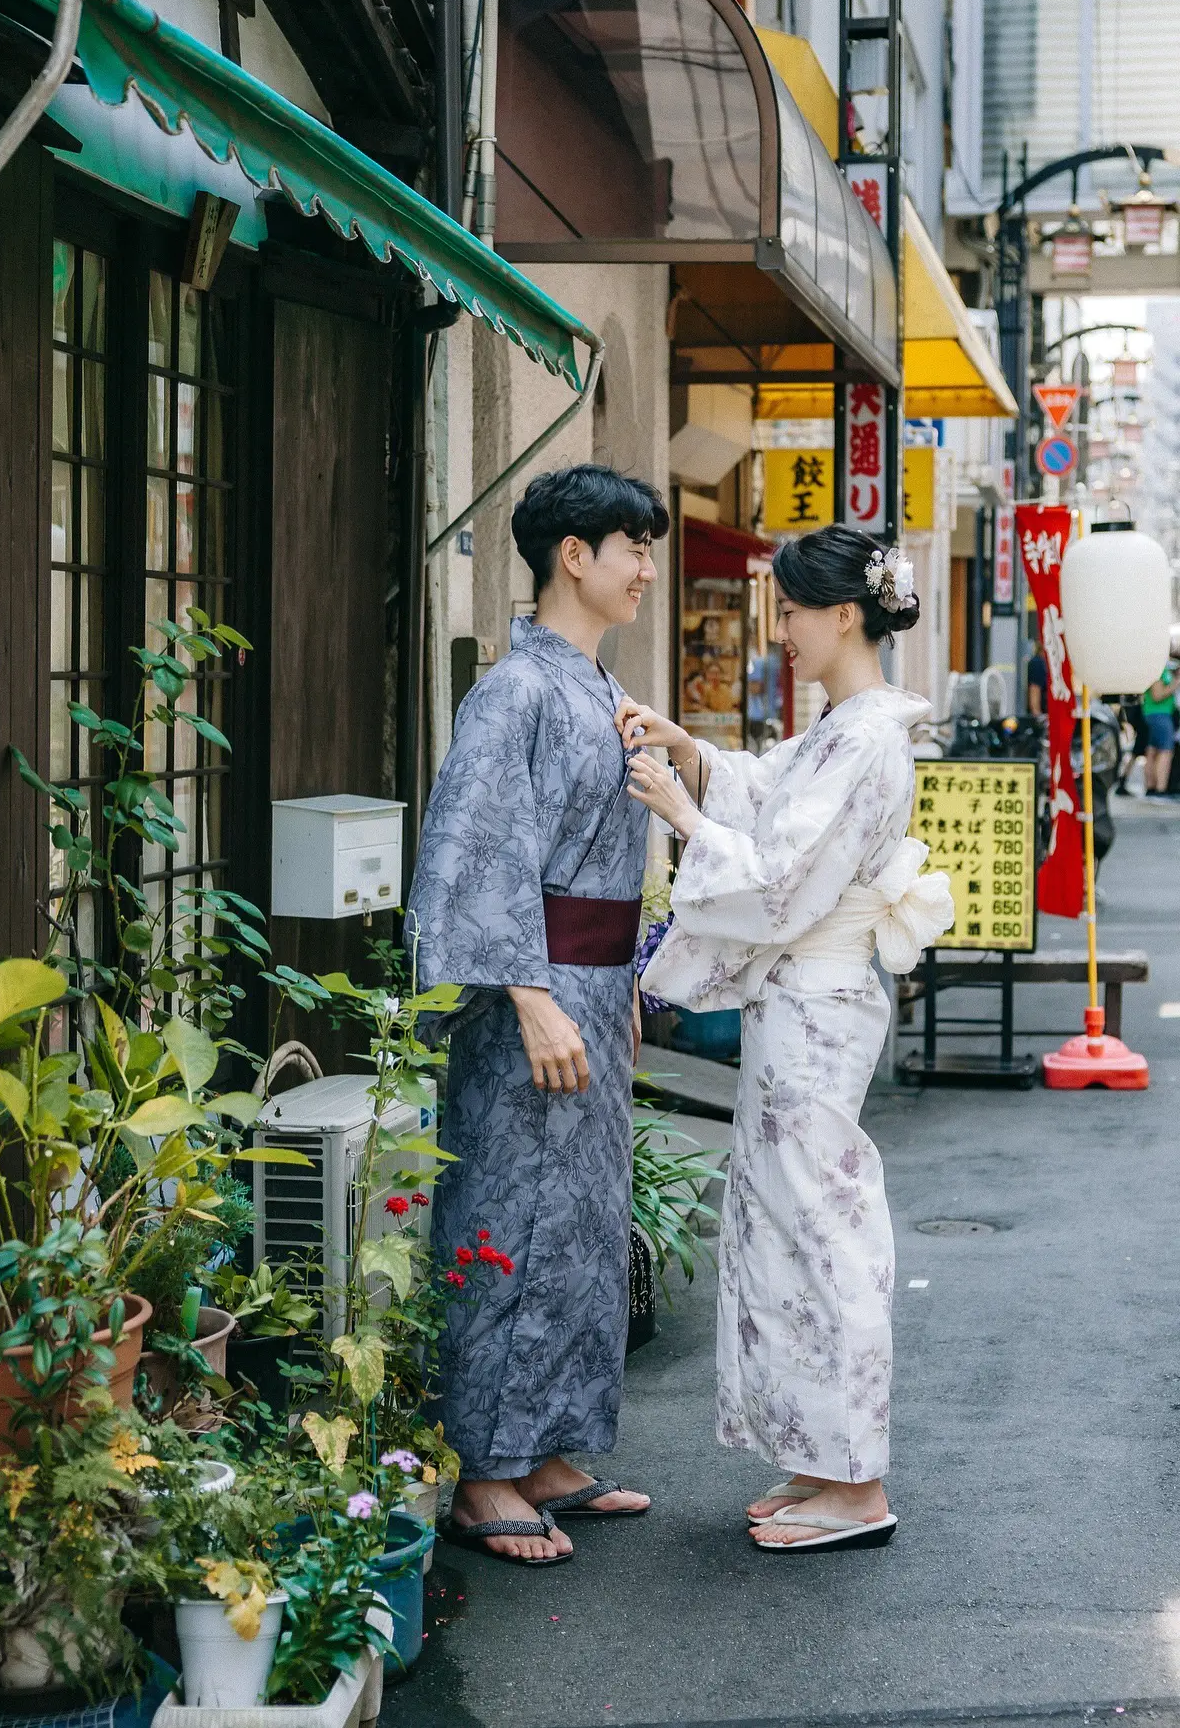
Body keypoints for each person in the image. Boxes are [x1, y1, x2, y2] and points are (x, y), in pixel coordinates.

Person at [618, 525, 953, 1553]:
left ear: (844, 614)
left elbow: (780, 878)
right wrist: (693, 754)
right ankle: (821, 1459)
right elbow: (772, 792)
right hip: (804, 1000)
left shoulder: (866, 736)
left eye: (796, 611)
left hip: (817, 998)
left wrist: (684, 812)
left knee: (820, 1224)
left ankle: (856, 1485)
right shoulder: (849, 728)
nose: (786, 632)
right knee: (788, 1218)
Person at [404, 464, 664, 1567]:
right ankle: (484, 1468)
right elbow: (479, 852)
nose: (645, 568)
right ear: (573, 555)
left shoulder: (598, 686)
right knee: (508, 1212)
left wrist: (621, 983)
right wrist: (530, 994)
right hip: (535, 996)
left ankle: (547, 1445)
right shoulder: (515, 691)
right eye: (633, 547)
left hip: (589, 986)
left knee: (582, 1221)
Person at [1141, 653, 1178, 797]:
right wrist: (1176, 683)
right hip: (1159, 714)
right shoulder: (1156, 671)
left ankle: (1151, 787)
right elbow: (1157, 695)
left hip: (1156, 714)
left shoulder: (1160, 669)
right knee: (1165, 751)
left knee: (1152, 751)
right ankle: (1160, 789)